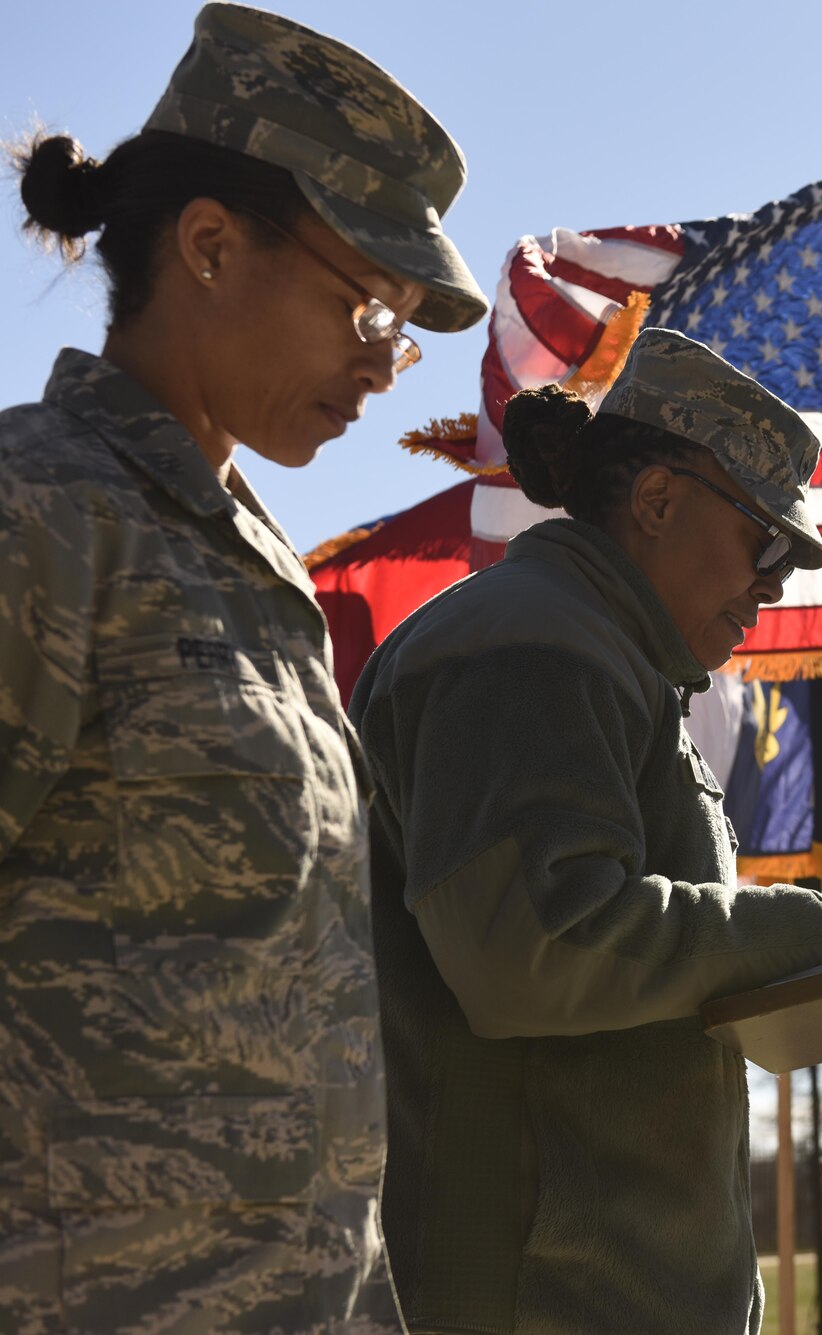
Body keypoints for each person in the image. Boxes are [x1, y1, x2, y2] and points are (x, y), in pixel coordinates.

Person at [349, 326, 822, 1333]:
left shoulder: (601, 654)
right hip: (541, 1301)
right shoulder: (532, 647)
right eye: (766, 542)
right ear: (657, 502)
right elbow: (535, 949)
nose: (775, 581)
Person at [0, 5, 485, 1330]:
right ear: (209, 244)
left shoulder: (260, 572)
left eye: (407, 324)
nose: (389, 362)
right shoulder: (39, 509)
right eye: (365, 302)